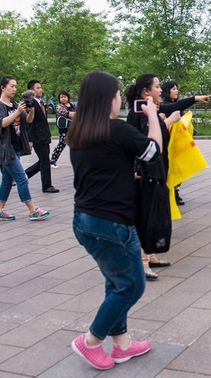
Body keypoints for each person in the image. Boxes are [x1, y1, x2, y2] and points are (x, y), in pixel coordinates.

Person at [68, 71, 162, 370]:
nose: (121, 98)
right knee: (132, 286)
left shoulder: (79, 132)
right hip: (111, 223)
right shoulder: (116, 129)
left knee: (116, 281)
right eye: (118, 93)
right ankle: (91, 341)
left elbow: (102, 169)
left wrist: (125, 175)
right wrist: (153, 117)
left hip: (85, 219)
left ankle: (121, 343)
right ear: (109, 98)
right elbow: (153, 153)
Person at [126, 74, 180, 281]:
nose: (160, 91)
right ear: (145, 92)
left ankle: (150, 255)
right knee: (145, 217)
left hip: (155, 171)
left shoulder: (148, 112)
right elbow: (148, 144)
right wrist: (169, 121)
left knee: (154, 215)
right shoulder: (141, 114)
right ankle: (142, 262)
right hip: (145, 173)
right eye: (157, 87)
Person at [0, 76, 50, 221]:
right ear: (2, 87)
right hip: (6, 149)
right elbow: (1, 123)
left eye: (16, 86)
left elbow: (27, 120)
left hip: (15, 148)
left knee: (6, 180)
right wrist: (17, 112)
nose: (15, 89)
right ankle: (32, 210)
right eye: (12, 86)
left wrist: (31, 111)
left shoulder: (15, 104)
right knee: (22, 178)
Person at [160, 80, 210, 206]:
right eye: (173, 89)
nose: (176, 91)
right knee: (172, 167)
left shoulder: (174, 105)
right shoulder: (164, 106)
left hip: (178, 142)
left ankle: (175, 191)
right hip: (168, 143)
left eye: (176, 88)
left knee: (179, 166)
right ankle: (171, 192)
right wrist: (196, 98)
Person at [25, 80, 59, 193]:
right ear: (32, 91)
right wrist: (30, 140)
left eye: (41, 87)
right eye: (38, 88)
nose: (41, 90)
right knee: (45, 162)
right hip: (37, 138)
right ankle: (46, 186)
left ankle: (23, 176)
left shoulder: (41, 103)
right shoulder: (31, 104)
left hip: (44, 136)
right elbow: (29, 123)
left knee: (43, 161)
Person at [50, 91, 76, 168]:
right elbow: (69, 114)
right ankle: (53, 161)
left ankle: (77, 161)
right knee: (61, 145)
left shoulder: (72, 105)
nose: (63, 99)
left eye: (65, 97)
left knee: (76, 146)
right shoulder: (60, 106)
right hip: (64, 130)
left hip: (73, 129)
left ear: (68, 97)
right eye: (61, 97)